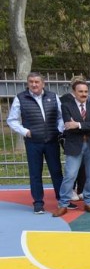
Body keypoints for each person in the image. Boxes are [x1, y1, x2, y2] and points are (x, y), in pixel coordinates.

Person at [7, 72, 64, 214]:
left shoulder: (53, 96)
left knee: (57, 172)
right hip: (33, 143)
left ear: (43, 83)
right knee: (35, 173)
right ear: (28, 83)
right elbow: (12, 120)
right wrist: (26, 132)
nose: (34, 84)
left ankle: (62, 201)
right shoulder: (20, 98)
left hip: (52, 141)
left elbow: (62, 116)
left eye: (37, 82)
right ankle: (38, 203)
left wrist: (58, 129)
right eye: (31, 81)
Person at [52, 78, 90, 216]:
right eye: (80, 91)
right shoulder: (66, 106)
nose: (84, 94)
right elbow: (69, 127)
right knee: (70, 175)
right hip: (74, 145)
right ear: (74, 92)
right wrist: (88, 127)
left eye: (86, 91)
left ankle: (88, 202)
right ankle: (63, 204)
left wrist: (79, 125)